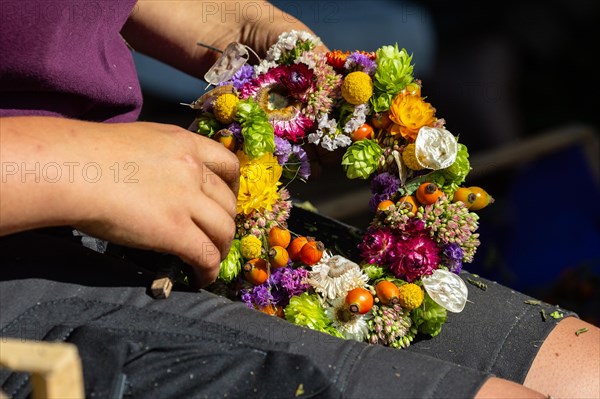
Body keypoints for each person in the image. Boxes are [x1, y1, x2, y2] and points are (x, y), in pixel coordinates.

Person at [1, 1, 598, 398]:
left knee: (586, 373)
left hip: (136, 204)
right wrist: (64, 166)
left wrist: (247, 34)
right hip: (22, 268)